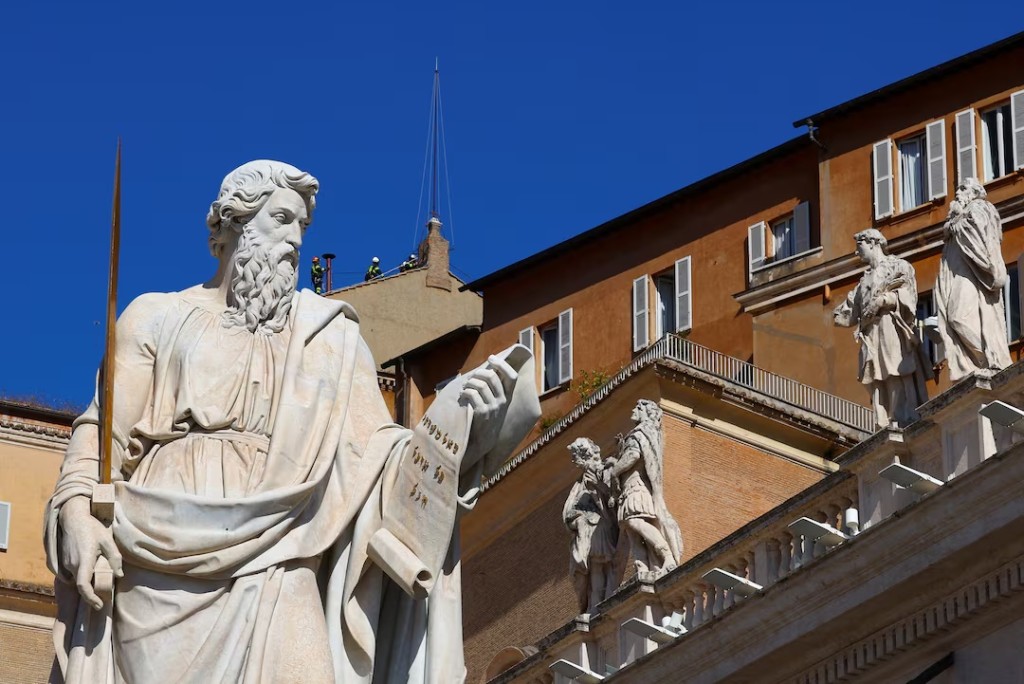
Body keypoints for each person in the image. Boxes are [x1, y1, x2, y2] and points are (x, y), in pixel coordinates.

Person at [45, 160, 540, 683]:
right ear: (235, 221)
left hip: (286, 547)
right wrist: (77, 512)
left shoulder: (329, 338)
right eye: (281, 219)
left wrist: (455, 426)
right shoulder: (157, 317)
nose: (295, 240)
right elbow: (101, 436)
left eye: (302, 227)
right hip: (158, 554)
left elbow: (375, 459)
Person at [833, 228, 931, 427]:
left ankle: (903, 416)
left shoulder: (898, 266)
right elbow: (846, 314)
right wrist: (839, 314)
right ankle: (884, 420)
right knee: (877, 376)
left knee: (895, 369)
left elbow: (909, 296)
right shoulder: (863, 282)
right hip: (871, 334)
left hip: (890, 325)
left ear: (872, 243)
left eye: (859, 246)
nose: (856, 253)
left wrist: (883, 300)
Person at [935, 178, 1012, 382]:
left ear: (975, 192)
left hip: (971, 276)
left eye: (962, 188)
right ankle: (980, 362)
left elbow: (979, 235)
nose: (957, 192)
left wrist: (956, 225)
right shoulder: (955, 221)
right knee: (954, 320)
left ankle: (989, 359)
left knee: (957, 317)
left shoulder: (979, 207)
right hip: (958, 275)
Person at [608, 400, 683, 575]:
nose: (633, 410)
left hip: (637, 487)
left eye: (638, 408)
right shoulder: (644, 433)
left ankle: (667, 556)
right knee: (631, 530)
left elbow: (634, 455)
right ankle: (642, 568)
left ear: (646, 412)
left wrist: (615, 470)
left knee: (635, 522)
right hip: (628, 490)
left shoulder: (641, 433)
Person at [562, 437, 620, 614]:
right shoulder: (580, 482)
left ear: (584, 454)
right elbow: (569, 509)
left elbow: (611, 495)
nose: (574, 461)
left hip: (600, 528)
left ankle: (601, 607)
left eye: (576, 457)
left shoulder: (599, 470)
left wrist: (597, 485)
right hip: (588, 530)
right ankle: (594, 610)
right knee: (595, 573)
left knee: (600, 570)